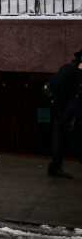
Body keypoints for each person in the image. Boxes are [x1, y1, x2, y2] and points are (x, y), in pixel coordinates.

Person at [48, 49, 82, 179]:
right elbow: (53, 85)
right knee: (60, 140)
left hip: (74, 112)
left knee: (67, 139)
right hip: (64, 112)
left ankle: (55, 167)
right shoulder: (69, 70)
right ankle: (55, 167)